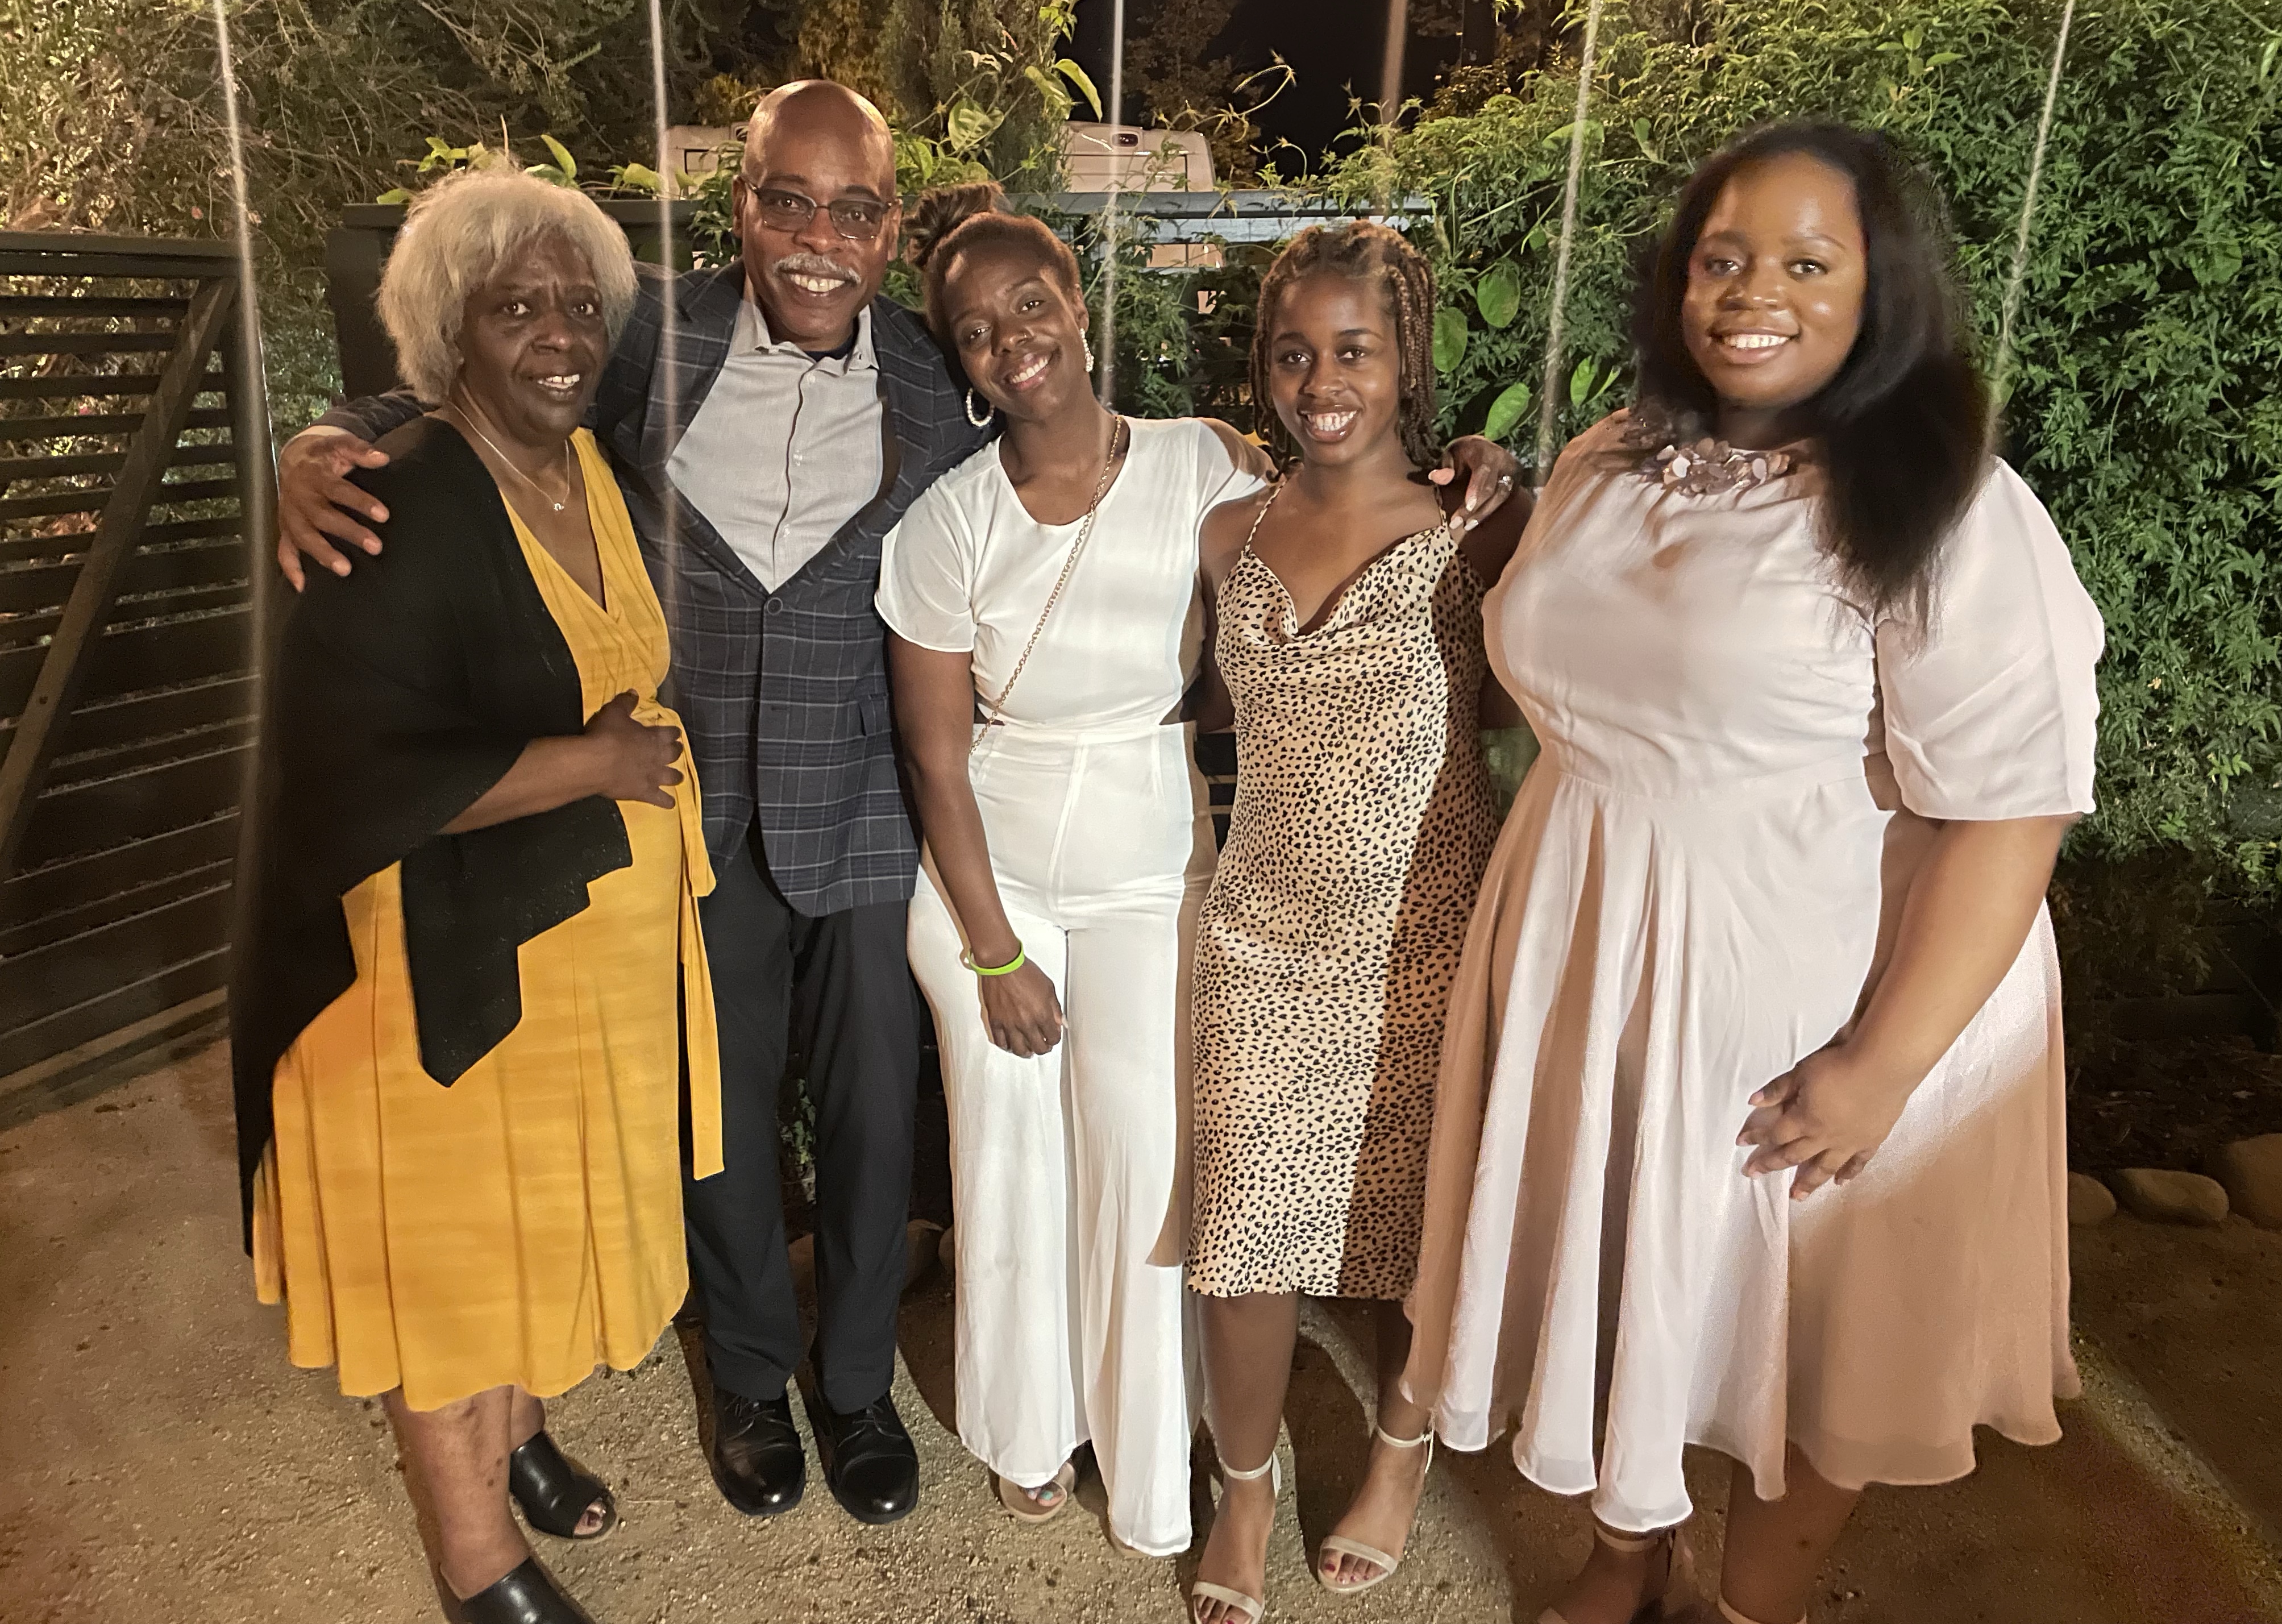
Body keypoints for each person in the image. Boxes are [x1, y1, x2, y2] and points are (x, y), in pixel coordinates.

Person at [1402, 122, 2105, 1624]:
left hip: (1821, 1003)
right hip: (1600, 957)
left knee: (1804, 1329)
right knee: (1628, 1285)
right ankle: (1627, 1558)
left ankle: (1748, 1607)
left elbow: (2012, 812)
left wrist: (1882, 1066)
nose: (1751, 292)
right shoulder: (1609, 458)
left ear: (1882, 288)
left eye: (1806, 262)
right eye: (1721, 257)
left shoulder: (1946, 505)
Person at [272, 81, 990, 1528]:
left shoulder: (936, 380)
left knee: (871, 1119)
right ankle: (750, 1376)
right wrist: (315, 445)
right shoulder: (649, 330)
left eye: (855, 212)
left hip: (859, 808)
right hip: (681, 813)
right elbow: (467, 384)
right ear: (743, 204)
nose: (819, 240)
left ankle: (856, 1387)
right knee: (713, 1119)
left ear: (893, 229)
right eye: (789, 201)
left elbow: (1072, 444)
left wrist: (1242, 465)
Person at [231, 166, 716, 1624]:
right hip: (438, 976)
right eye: (517, 307)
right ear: (449, 332)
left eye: (580, 305)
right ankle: (476, 1563)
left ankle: (515, 1442)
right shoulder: (388, 501)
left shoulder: (596, 473)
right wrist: (595, 764)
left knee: (533, 1230)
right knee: (451, 1267)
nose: (560, 335)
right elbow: (346, 768)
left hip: (575, 955)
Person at [876, 182, 1277, 1555]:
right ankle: (1029, 1427)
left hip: (1154, 860)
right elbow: (934, 757)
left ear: (1080, 308)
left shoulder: (1202, 464)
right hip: (988, 880)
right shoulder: (946, 523)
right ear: (963, 362)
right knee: (1006, 1165)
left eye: (1030, 305)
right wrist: (994, 952)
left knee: (1142, 1158)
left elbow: (1303, 574)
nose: (1012, 340)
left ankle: (1152, 1464)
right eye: (978, 330)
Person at [1186, 221, 1528, 1624]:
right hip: (1261, 937)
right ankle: (1244, 1485)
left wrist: (1507, 476)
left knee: (1415, 1234)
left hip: (1424, 939)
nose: (1322, 382)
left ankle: (1399, 1452)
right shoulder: (1228, 531)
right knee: (1242, 1235)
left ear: (1408, 360)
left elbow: (1517, 703)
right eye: (1294, 353)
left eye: (1355, 351)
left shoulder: (1477, 529)